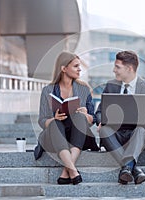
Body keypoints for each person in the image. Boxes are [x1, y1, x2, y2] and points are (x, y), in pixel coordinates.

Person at [95, 50, 145, 185]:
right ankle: (132, 169)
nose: (114, 70)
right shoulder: (111, 86)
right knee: (104, 130)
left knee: (141, 129)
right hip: (114, 136)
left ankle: (127, 168)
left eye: (117, 67)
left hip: (137, 136)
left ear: (129, 68)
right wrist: (100, 121)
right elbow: (99, 113)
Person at [37, 51, 98, 185]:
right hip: (56, 136)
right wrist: (54, 118)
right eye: (76, 66)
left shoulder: (84, 89)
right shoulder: (48, 90)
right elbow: (42, 120)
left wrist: (86, 115)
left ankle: (67, 171)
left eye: (79, 66)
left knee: (80, 118)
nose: (79, 69)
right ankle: (72, 169)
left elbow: (93, 119)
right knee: (55, 123)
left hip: (78, 134)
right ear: (64, 69)